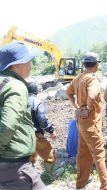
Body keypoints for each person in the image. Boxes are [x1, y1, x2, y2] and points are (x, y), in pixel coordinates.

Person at [0, 42, 46, 189]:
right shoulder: (16, 86)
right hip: (15, 164)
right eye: (28, 60)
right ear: (17, 64)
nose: (30, 64)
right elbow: (6, 127)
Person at [66, 52, 107, 190]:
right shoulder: (92, 79)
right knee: (99, 154)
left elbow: (68, 92)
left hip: (81, 123)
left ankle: (81, 183)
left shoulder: (78, 77)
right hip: (91, 123)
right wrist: (88, 108)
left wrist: (78, 107)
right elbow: (92, 95)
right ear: (96, 64)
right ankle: (106, 186)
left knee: (83, 153)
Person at [28, 82, 64, 180]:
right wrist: (51, 130)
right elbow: (42, 119)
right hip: (35, 134)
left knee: (29, 157)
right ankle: (53, 174)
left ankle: (28, 178)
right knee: (49, 153)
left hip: (23, 135)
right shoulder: (37, 102)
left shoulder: (20, 102)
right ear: (36, 91)